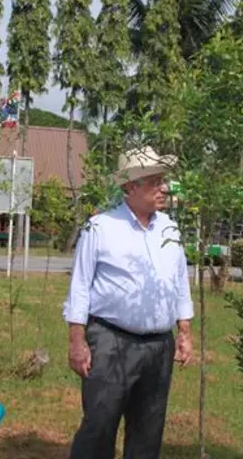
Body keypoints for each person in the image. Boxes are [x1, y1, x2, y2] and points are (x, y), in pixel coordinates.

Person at [63, 146, 194, 459]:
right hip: (110, 340)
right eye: (154, 182)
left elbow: (179, 281)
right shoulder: (101, 227)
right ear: (130, 187)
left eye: (163, 181)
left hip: (158, 346)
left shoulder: (170, 229)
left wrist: (185, 330)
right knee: (99, 424)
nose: (163, 188)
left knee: (149, 429)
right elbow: (80, 285)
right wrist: (77, 341)